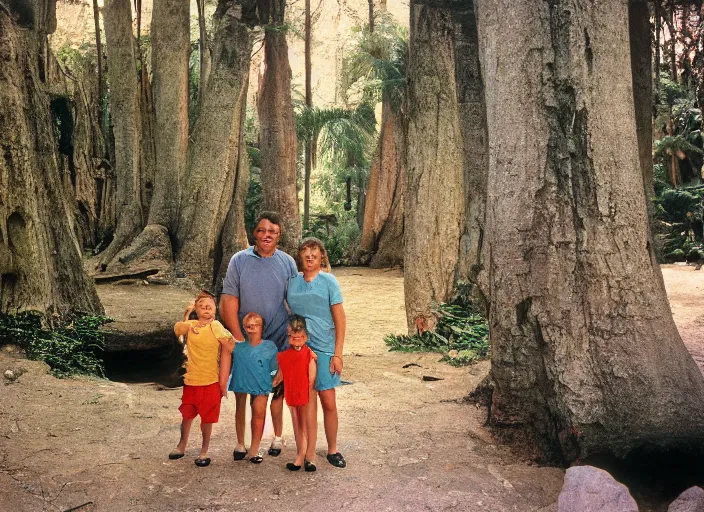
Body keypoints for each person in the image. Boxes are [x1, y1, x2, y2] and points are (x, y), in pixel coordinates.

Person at [219, 212, 297, 460]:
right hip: (246, 338)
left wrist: (292, 339)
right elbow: (229, 299)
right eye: (262, 230)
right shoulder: (239, 260)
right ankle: (241, 443)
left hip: (277, 338)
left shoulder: (287, 262)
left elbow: (294, 302)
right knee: (243, 392)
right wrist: (238, 338)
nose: (266, 236)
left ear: (279, 235)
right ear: (255, 232)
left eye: (272, 232)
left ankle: (276, 436)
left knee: (275, 390)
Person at [287, 238, 347, 469]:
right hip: (299, 350)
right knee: (303, 403)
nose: (309, 256)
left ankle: (333, 449)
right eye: (304, 252)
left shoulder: (329, 282)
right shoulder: (292, 283)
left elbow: (340, 320)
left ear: (322, 256)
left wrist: (337, 354)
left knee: (328, 401)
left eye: (314, 252)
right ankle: (304, 450)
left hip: (324, 349)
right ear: (299, 257)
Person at [170, 291, 234, 467]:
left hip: (210, 381)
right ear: (196, 310)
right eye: (202, 306)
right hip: (191, 380)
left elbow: (231, 345)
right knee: (187, 415)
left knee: (207, 418)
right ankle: (181, 446)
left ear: (215, 310)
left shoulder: (217, 326)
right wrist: (187, 315)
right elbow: (177, 330)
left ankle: (204, 451)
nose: (206, 309)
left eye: (210, 307)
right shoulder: (191, 324)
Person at [229, 312, 278, 463]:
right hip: (241, 379)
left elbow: (275, 367)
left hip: (262, 382)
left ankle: (254, 449)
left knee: (259, 413)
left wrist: (274, 378)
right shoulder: (238, 347)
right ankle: (240, 444)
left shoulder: (269, 346)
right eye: (248, 326)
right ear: (244, 327)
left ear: (262, 327)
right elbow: (223, 342)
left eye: (255, 325)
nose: (252, 328)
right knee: (240, 409)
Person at [273, 315, 318, 472]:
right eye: (293, 338)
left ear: (305, 337)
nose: (297, 342)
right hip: (292, 394)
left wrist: (307, 391)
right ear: (289, 336)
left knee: (306, 423)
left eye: (300, 338)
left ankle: (309, 456)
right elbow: (281, 375)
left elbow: (311, 378)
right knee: (297, 423)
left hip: (305, 394)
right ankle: (300, 454)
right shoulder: (285, 356)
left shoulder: (309, 355)